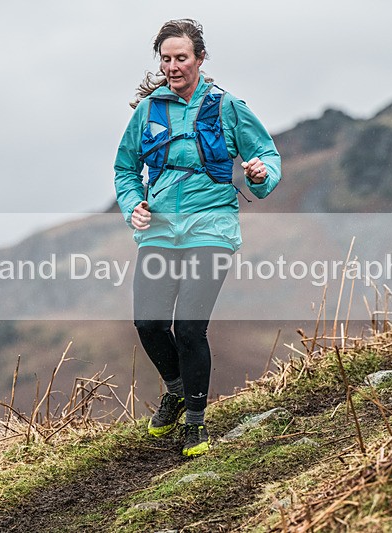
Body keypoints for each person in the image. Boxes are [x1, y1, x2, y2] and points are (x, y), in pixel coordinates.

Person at [114, 19, 281, 456]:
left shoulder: (227, 107)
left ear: (199, 59)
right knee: (148, 323)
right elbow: (125, 169)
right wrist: (133, 204)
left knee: (189, 328)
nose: (172, 66)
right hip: (161, 229)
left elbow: (265, 153)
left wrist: (260, 173)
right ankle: (174, 390)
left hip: (212, 228)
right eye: (165, 59)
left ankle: (196, 423)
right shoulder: (148, 111)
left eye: (181, 58)